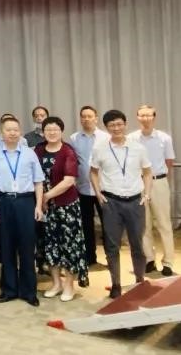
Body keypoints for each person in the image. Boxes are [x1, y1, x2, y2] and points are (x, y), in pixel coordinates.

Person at [90, 109, 152, 299]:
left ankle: (139, 279)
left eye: (119, 124)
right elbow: (93, 171)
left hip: (135, 201)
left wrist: (147, 194)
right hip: (111, 202)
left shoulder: (138, 148)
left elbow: (147, 172)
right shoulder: (100, 148)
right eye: (112, 125)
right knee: (111, 245)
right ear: (106, 127)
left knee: (137, 243)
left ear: (125, 124)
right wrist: (98, 193)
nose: (116, 128)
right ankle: (115, 284)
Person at [0, 117, 44, 307]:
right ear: (1, 133)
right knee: (6, 247)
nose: (12, 133)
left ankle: (29, 291)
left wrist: (38, 206)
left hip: (25, 202)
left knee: (27, 248)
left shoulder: (30, 154)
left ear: (20, 132)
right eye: (8, 130)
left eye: (15, 129)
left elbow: (38, 181)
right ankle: (9, 290)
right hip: (3, 202)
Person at [36, 117, 88, 301]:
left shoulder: (67, 151)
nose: (51, 132)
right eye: (48, 129)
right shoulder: (38, 150)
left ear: (61, 131)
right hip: (45, 208)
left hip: (66, 205)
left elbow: (69, 181)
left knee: (69, 245)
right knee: (50, 244)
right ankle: (56, 283)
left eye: (55, 129)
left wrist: (47, 196)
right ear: (43, 132)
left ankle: (69, 286)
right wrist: (40, 199)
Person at [128, 105, 176, 277]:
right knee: (143, 225)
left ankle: (168, 262)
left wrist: (161, 179)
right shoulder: (131, 138)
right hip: (138, 184)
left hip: (158, 182)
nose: (145, 118)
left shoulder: (164, 138)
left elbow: (169, 161)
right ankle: (149, 259)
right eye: (142, 115)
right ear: (137, 117)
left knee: (164, 224)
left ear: (154, 117)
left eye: (149, 115)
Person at [69, 106, 110, 267]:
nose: (86, 119)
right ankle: (90, 257)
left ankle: (110, 257)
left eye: (90, 116)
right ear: (80, 119)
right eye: (83, 116)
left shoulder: (106, 137)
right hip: (83, 188)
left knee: (108, 225)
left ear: (96, 118)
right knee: (86, 225)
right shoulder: (74, 138)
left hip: (104, 188)